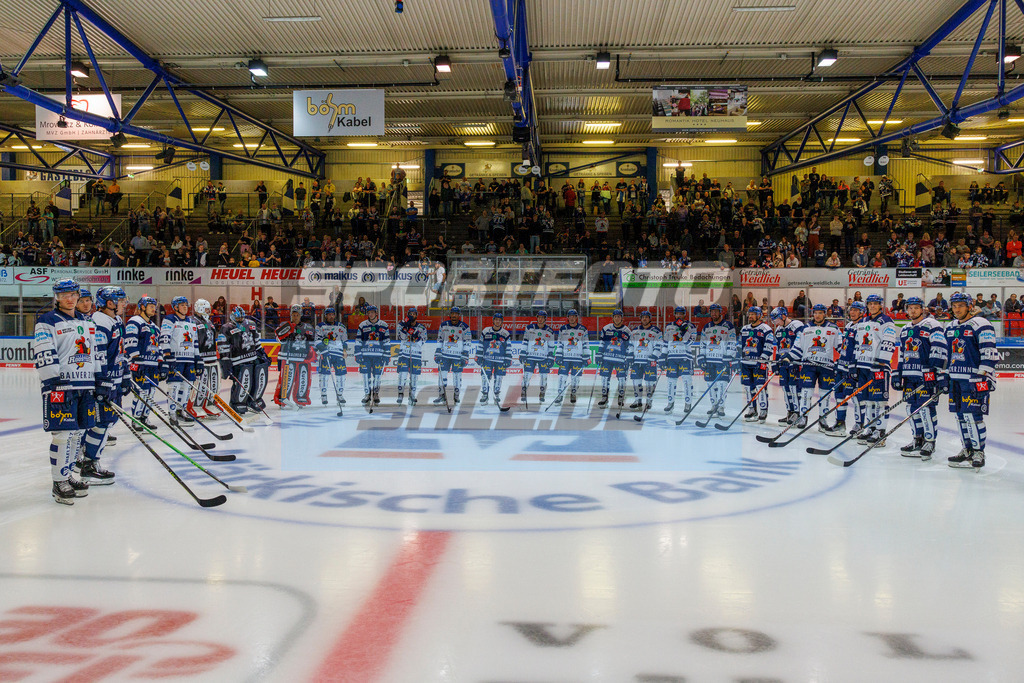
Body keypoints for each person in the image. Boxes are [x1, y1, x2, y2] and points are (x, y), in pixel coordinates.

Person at [32, 279, 99, 504]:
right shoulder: (47, 321)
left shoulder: (87, 321)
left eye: (72, 294)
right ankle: (58, 481)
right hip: (61, 386)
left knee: (78, 434)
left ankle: (68, 475)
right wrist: (54, 382)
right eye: (64, 295)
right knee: (62, 435)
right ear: (57, 298)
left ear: (78, 295)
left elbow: (94, 353)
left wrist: (98, 379)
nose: (69, 299)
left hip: (85, 385)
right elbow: (44, 351)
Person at [944, 292, 998, 468]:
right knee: (960, 417)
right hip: (955, 379)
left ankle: (978, 451)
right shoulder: (950, 326)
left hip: (973, 379)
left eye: (960, 305)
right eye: (954, 305)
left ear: (969, 306)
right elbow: (947, 354)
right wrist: (944, 375)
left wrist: (983, 376)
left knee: (973, 416)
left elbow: (989, 353)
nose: (957, 309)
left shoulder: (981, 324)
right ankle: (967, 449)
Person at [79, 285, 126, 486]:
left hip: (114, 380)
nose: (124, 304)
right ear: (110, 303)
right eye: (121, 301)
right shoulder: (99, 322)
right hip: (104, 382)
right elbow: (99, 356)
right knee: (101, 423)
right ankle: (88, 464)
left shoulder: (114, 320)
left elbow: (119, 353)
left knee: (108, 422)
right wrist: (102, 382)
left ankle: (87, 458)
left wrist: (125, 376)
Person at [892, 297, 948, 461]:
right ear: (907, 310)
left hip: (925, 377)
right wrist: (898, 373)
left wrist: (933, 371)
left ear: (922, 309)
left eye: (916, 308)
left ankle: (929, 440)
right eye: (910, 308)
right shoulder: (904, 329)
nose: (913, 311)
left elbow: (940, 349)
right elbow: (902, 354)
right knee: (911, 409)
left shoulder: (933, 325)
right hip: (910, 377)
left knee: (926, 408)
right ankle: (917, 438)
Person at [850, 294, 898, 445]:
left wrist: (882, 361)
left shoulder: (886, 321)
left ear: (880, 305)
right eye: (870, 304)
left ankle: (880, 431)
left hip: (878, 366)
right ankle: (870, 428)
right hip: (863, 366)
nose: (872, 306)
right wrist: (854, 364)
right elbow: (858, 342)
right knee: (868, 400)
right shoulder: (863, 321)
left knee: (880, 401)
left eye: (875, 304)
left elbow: (889, 342)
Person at [159, 296, 203, 426]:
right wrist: (167, 355)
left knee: (187, 385)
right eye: (182, 304)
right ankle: (172, 413)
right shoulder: (169, 319)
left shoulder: (191, 321)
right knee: (174, 386)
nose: (185, 307)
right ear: (175, 307)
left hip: (189, 359)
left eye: (186, 304)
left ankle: (181, 410)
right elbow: (164, 338)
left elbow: (194, 342)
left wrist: (198, 358)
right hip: (176, 359)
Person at [797, 304, 841, 431]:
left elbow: (840, 345)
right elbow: (799, 346)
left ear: (824, 314)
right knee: (806, 392)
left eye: (820, 313)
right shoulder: (806, 328)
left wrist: (844, 359)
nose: (817, 315)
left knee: (825, 394)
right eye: (815, 313)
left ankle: (823, 418)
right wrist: (789, 357)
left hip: (826, 366)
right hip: (808, 365)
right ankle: (803, 416)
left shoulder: (833, 328)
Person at [124, 295, 165, 430]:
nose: (154, 310)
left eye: (155, 307)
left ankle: (144, 417)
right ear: (142, 307)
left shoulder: (155, 326)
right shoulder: (134, 321)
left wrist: (161, 362)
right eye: (151, 307)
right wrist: (136, 359)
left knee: (151, 392)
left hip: (152, 365)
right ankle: (136, 419)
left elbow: (158, 346)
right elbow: (130, 342)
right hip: (140, 364)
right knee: (141, 391)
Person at [830, 301, 865, 437]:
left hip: (854, 367)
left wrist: (854, 365)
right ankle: (840, 423)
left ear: (862, 312)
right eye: (851, 310)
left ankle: (859, 424)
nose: (852, 312)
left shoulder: (863, 326)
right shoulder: (849, 325)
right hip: (842, 366)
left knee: (856, 397)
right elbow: (845, 346)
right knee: (839, 395)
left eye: (856, 310)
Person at [697, 303, 736, 418]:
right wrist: (701, 357)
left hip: (722, 360)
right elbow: (702, 343)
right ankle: (714, 405)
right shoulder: (707, 327)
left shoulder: (728, 326)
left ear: (720, 312)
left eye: (716, 311)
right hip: (709, 360)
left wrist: (728, 357)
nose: (713, 313)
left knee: (722, 384)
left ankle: (721, 407)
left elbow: (732, 342)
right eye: (712, 311)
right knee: (710, 384)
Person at [274, 304, 316, 409]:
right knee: (286, 379)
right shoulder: (285, 325)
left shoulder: (307, 327)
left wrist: (312, 352)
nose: (295, 317)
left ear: (300, 315)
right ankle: (282, 399)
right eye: (293, 314)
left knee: (303, 378)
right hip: (288, 357)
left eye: (297, 314)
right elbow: (278, 338)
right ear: (290, 315)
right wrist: (287, 332)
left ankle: (300, 399)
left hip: (303, 358)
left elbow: (312, 342)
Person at [739, 306, 776, 423]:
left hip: (759, 363)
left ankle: (763, 409)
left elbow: (769, 347)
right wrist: (738, 358)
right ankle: (752, 409)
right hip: (746, 363)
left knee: (760, 387)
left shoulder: (766, 329)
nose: (750, 316)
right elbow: (740, 345)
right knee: (748, 387)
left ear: (759, 315)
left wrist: (763, 359)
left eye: (753, 314)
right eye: (749, 314)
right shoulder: (744, 329)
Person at [770, 306, 806, 425]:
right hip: (783, 363)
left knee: (794, 388)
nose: (775, 323)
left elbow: (800, 344)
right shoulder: (778, 330)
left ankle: (797, 412)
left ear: (783, 316)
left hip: (795, 362)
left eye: (776, 319)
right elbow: (779, 347)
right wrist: (775, 362)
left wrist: (791, 357)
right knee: (785, 389)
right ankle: (790, 411)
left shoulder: (797, 325)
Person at [188, 299, 221, 419]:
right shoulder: (193, 321)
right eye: (206, 308)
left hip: (212, 357)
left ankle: (209, 404)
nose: (209, 311)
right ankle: (195, 405)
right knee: (200, 384)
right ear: (200, 308)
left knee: (214, 384)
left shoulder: (209, 322)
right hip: (201, 357)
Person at [660, 306, 697, 413]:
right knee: (671, 381)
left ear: (684, 315)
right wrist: (663, 356)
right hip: (672, 357)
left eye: (681, 314)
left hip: (685, 358)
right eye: (677, 313)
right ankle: (670, 403)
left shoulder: (691, 326)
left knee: (687, 381)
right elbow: (666, 343)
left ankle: (688, 403)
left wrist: (684, 331)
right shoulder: (669, 326)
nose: (679, 315)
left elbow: (689, 342)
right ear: (675, 314)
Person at [434, 307, 473, 405]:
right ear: (450, 315)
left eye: (456, 314)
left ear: (459, 315)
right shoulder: (443, 325)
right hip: (445, 356)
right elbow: (439, 339)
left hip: (458, 357)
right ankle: (441, 395)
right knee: (441, 375)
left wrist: (465, 355)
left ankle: (456, 396)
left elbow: (467, 341)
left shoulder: (464, 327)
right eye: (453, 313)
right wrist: (438, 352)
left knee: (457, 376)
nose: (454, 315)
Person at [596, 309, 632, 409]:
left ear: (622, 318)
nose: (617, 318)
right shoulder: (606, 329)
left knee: (621, 379)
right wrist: (599, 353)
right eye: (615, 316)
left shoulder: (627, 331)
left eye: (619, 316)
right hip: (607, 358)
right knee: (604, 378)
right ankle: (604, 397)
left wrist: (628, 356)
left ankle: (621, 397)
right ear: (613, 318)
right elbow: (602, 343)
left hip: (620, 360)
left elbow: (630, 346)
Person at [552, 309, 589, 404]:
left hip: (578, 359)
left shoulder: (583, 329)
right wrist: (558, 355)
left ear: (576, 317)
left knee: (576, 378)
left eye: (574, 316)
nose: (572, 318)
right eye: (570, 316)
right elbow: (560, 343)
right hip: (565, 358)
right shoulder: (563, 329)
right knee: (561, 377)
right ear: (567, 318)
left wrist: (587, 357)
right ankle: (560, 395)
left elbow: (586, 344)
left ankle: (573, 393)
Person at [315, 306, 348, 409]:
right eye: (329, 314)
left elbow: (344, 340)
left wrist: (344, 350)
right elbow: (317, 340)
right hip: (326, 353)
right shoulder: (320, 326)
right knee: (324, 375)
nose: (331, 316)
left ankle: (340, 395)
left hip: (338, 353)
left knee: (341, 375)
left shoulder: (341, 326)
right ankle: (324, 395)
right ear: (325, 316)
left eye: (332, 314)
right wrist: (323, 350)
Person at [628, 309, 662, 411]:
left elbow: (659, 346)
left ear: (650, 319)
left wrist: (654, 357)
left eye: (646, 317)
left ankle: (649, 401)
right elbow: (630, 345)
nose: (644, 319)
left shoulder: (656, 331)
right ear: (640, 319)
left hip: (649, 361)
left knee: (650, 382)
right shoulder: (635, 331)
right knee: (636, 381)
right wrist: (630, 355)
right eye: (643, 317)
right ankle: (638, 400)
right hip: (637, 361)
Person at [521, 310, 556, 403]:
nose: (540, 319)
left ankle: (542, 392)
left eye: (542, 317)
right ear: (537, 318)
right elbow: (525, 341)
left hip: (543, 358)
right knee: (527, 375)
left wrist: (551, 358)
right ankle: (524, 391)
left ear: (545, 319)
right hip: (530, 356)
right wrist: (522, 353)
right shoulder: (529, 328)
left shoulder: (550, 331)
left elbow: (551, 347)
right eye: (539, 317)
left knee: (544, 376)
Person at [478, 312, 513, 406]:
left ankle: (496, 395)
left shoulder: (505, 333)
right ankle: (485, 395)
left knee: (499, 377)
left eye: (499, 320)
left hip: (500, 360)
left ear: (501, 322)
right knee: (485, 377)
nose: (497, 322)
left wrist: (508, 358)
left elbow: (508, 347)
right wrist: (478, 355)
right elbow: (481, 344)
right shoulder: (486, 331)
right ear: (493, 320)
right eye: (496, 320)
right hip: (487, 359)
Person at [396, 308, 426, 405]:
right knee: (402, 375)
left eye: (414, 314)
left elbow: (423, 340)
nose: (412, 315)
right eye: (410, 314)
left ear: (417, 315)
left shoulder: (421, 327)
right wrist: (406, 325)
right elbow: (401, 336)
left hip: (415, 354)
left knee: (414, 376)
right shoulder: (401, 325)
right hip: (404, 354)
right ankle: (400, 394)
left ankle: (412, 394)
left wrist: (417, 338)